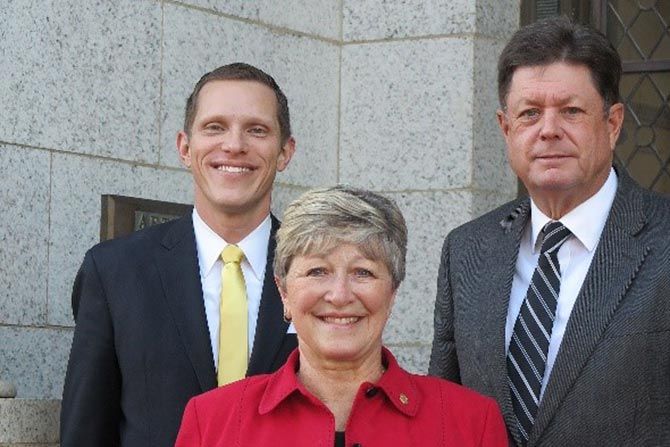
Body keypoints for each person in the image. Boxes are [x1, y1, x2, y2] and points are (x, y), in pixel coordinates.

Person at [429, 16, 670, 447]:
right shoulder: (466, 250)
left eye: (571, 111)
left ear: (613, 124)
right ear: (506, 128)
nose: (549, 130)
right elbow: (444, 414)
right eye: (530, 113)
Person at [60, 63, 298, 447]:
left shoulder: (319, 271)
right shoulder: (114, 272)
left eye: (257, 130)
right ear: (185, 148)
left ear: (285, 151)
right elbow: (85, 432)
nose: (234, 144)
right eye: (215, 127)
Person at [175, 186, 508, 447]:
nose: (340, 295)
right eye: (317, 271)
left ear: (392, 292)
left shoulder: (470, 423)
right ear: (284, 292)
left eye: (363, 272)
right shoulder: (212, 421)